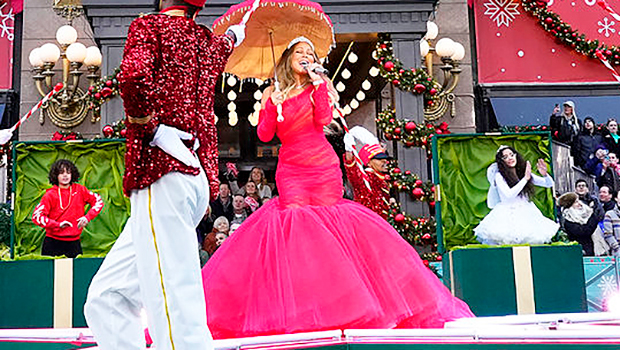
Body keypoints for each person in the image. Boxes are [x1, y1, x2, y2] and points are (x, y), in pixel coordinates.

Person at [201, 36, 474, 340]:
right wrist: (269, 104)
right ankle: (302, 309)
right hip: (291, 169)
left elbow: (323, 118)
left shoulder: (320, 86)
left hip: (321, 166)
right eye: (299, 52)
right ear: (288, 59)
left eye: (309, 53)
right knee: (296, 231)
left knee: (332, 228)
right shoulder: (272, 93)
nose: (305, 56)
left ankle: (348, 307)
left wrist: (319, 84)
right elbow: (265, 135)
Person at [83, 1, 245, 349]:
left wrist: (152, 129)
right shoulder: (208, 42)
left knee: (173, 296)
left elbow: (132, 78)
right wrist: (234, 34)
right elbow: (224, 46)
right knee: (108, 295)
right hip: (192, 176)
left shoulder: (150, 27)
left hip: (163, 171)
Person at [474, 146, 559, 245]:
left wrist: (545, 174)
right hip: (506, 214)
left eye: (511, 155)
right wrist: (525, 180)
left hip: (526, 212)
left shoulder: (523, 173)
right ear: (501, 161)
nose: (510, 158)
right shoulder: (499, 176)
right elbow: (509, 195)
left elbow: (548, 184)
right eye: (505, 157)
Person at [32, 159, 104, 258]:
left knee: (75, 272)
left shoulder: (80, 190)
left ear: (72, 174)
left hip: (74, 243)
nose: (65, 175)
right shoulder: (50, 194)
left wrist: (87, 217)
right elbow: (37, 216)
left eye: (68, 172)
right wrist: (57, 225)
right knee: (50, 273)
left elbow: (98, 201)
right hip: (52, 243)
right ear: (56, 175)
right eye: (61, 173)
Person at [343, 126, 391, 219]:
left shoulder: (384, 178)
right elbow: (352, 170)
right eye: (379, 159)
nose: (384, 161)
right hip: (366, 221)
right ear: (368, 163)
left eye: (385, 159)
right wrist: (348, 149)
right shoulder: (365, 177)